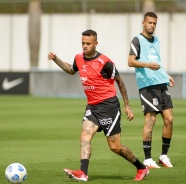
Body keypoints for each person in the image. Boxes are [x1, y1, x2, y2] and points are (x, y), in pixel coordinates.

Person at [48, 29, 149, 182]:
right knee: (85, 137)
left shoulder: (105, 63)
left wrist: (127, 106)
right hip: (92, 107)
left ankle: (141, 167)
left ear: (96, 43)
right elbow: (70, 70)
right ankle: (83, 173)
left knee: (115, 147)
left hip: (109, 107)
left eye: (88, 43)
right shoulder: (78, 58)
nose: (85, 46)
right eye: (83, 43)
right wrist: (56, 59)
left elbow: (120, 82)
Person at [128, 12, 175, 168]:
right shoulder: (137, 40)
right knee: (151, 119)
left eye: (154, 23)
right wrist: (147, 65)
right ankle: (148, 159)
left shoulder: (157, 40)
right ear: (143, 23)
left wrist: (166, 75)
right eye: (149, 23)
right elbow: (130, 61)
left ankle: (163, 156)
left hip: (161, 83)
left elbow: (157, 62)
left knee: (169, 119)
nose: (152, 26)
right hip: (147, 86)